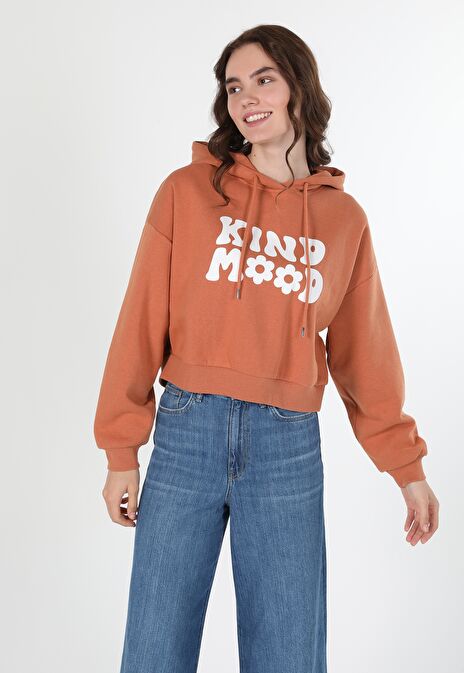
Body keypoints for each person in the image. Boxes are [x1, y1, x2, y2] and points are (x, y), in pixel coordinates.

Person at [94, 24, 439, 673]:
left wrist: (406, 467)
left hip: (287, 448)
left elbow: (365, 355)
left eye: (263, 80)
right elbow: (139, 320)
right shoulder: (187, 192)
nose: (246, 98)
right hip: (186, 433)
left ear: (299, 87)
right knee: (154, 650)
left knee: (288, 654)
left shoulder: (343, 220)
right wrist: (120, 451)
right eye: (233, 87)